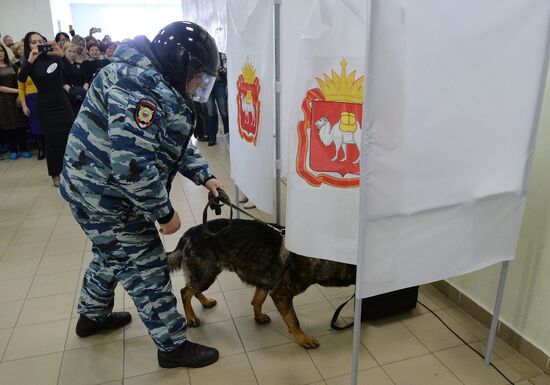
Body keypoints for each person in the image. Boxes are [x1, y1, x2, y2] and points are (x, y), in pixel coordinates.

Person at [59, 21, 223, 369]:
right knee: (146, 266)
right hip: (105, 195)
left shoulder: (157, 81)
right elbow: (132, 164)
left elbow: (172, 143)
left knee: (113, 252)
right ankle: (173, 346)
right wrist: (164, 212)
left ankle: (92, 315)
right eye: (200, 77)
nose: (199, 87)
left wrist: (205, 177)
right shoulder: (137, 88)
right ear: (183, 65)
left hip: (99, 189)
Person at [18, 32, 74, 186]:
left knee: (69, 136)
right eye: (33, 42)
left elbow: (70, 74)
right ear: (28, 46)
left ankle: (72, 170)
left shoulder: (54, 57)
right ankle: (55, 173)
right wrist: (30, 61)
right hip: (45, 105)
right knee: (53, 140)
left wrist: (61, 54)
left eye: (40, 40)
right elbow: (21, 78)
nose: (37, 43)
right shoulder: (29, 63)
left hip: (62, 103)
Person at [0, 44, 29, 159]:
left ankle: (23, 148)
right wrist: (18, 91)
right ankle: (13, 149)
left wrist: (20, 95)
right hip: (3, 102)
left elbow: (21, 80)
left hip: (16, 99)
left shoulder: (13, 66)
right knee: (8, 126)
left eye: (2, 51)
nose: (0, 53)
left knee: (20, 124)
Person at [205, 52, 229, 146]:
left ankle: (228, 137)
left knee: (223, 112)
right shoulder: (203, 56)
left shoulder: (221, 55)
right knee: (211, 113)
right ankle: (212, 138)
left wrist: (216, 73)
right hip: (207, 86)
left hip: (219, 85)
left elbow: (226, 68)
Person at [62, 42, 87, 115]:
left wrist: (84, 92)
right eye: (69, 51)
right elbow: (62, 82)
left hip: (81, 95)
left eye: (74, 52)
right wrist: (73, 93)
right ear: (64, 52)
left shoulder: (79, 65)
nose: (72, 53)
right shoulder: (61, 65)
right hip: (68, 96)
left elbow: (85, 80)